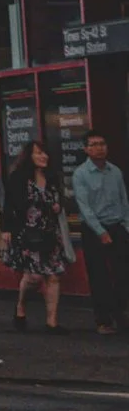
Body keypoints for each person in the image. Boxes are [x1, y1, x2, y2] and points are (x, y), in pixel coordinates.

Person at [1, 138, 71, 333]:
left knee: (53, 275)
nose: (43, 157)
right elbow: (10, 204)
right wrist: (6, 229)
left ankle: (52, 322)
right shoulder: (18, 177)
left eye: (45, 153)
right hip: (28, 232)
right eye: (39, 153)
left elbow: (59, 198)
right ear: (29, 156)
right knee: (33, 276)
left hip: (50, 231)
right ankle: (21, 305)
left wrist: (58, 206)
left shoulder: (53, 177)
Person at [70, 132, 129, 336]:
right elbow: (84, 208)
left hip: (117, 226)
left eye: (102, 143)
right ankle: (103, 319)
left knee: (123, 274)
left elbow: (124, 201)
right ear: (86, 149)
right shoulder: (81, 174)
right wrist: (100, 231)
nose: (99, 148)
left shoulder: (116, 172)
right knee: (99, 276)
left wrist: (126, 226)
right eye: (94, 145)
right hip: (94, 229)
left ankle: (121, 313)